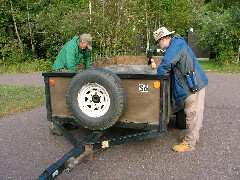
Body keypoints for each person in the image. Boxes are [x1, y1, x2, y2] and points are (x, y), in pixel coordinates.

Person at [152, 27, 208, 152]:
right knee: (193, 112)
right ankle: (192, 136)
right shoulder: (177, 43)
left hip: (193, 85)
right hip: (191, 83)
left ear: (164, 38)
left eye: (158, 42)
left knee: (193, 113)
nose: (159, 46)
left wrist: (157, 75)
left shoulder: (175, 46)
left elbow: (166, 64)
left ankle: (189, 143)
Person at [50, 34, 92, 135]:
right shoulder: (71, 46)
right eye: (86, 45)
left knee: (71, 96)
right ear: (82, 42)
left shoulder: (83, 48)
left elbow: (87, 58)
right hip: (60, 71)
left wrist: (89, 69)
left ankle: (67, 122)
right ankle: (55, 126)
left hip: (69, 71)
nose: (87, 48)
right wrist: (75, 76)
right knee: (60, 97)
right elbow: (70, 63)